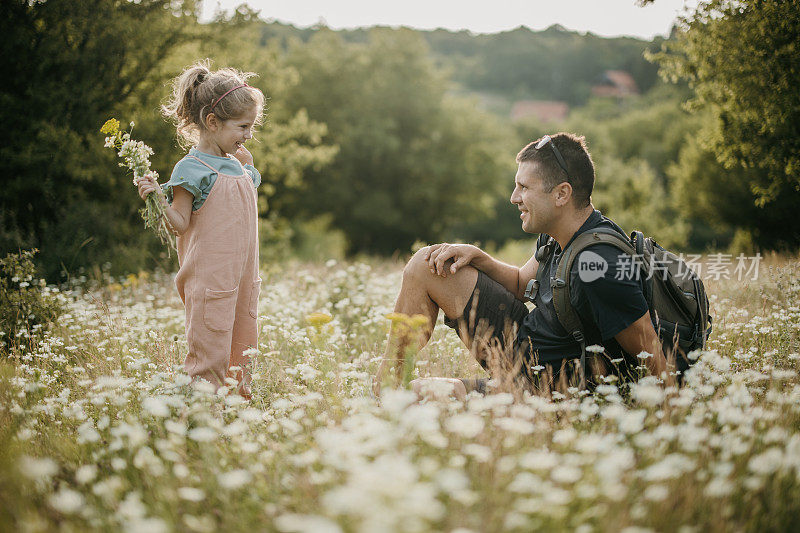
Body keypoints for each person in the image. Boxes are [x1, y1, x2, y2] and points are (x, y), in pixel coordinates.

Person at [373, 133, 668, 398]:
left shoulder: (599, 266)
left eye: (524, 187)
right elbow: (518, 283)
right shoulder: (559, 236)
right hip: (523, 345)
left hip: (548, 387)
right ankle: (383, 387)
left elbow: (653, 356)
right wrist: (479, 257)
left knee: (424, 396)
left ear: (562, 194)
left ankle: (397, 399)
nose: (514, 198)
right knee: (425, 263)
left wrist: (671, 415)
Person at [137, 60, 265, 399]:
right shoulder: (192, 169)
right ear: (212, 122)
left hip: (243, 282)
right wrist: (157, 199)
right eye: (242, 126)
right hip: (210, 285)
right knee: (209, 355)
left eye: (250, 126)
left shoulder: (241, 165)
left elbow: (242, 200)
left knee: (243, 351)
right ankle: (199, 422)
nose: (248, 135)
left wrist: (248, 168)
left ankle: (235, 420)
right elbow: (180, 224)